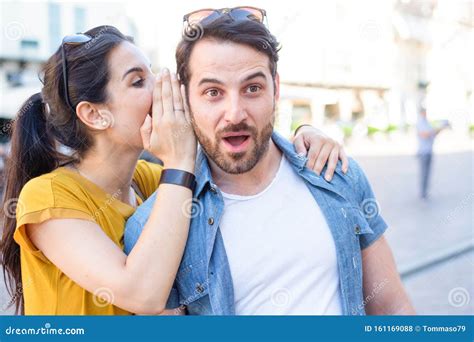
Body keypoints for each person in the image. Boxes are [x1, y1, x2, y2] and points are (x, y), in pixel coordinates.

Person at [0, 25, 346, 315]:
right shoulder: (47, 196)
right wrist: (180, 163)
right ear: (94, 115)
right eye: (138, 81)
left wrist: (305, 138)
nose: (165, 87)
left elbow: (237, 145)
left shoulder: (152, 182)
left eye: (153, 72)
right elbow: (140, 293)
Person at [125, 7, 415, 315]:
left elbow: (392, 307)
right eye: (213, 92)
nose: (235, 113)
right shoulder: (151, 230)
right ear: (185, 100)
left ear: (276, 89)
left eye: (252, 88)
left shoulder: (336, 173)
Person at [416, 107, 448, 199]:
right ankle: (422, 193)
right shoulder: (420, 123)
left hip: (429, 151)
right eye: (424, 112)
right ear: (421, 113)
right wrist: (433, 130)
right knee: (424, 173)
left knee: (428, 173)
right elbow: (424, 134)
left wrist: (440, 129)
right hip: (423, 152)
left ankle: (425, 192)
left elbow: (432, 134)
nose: (425, 114)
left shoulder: (427, 122)